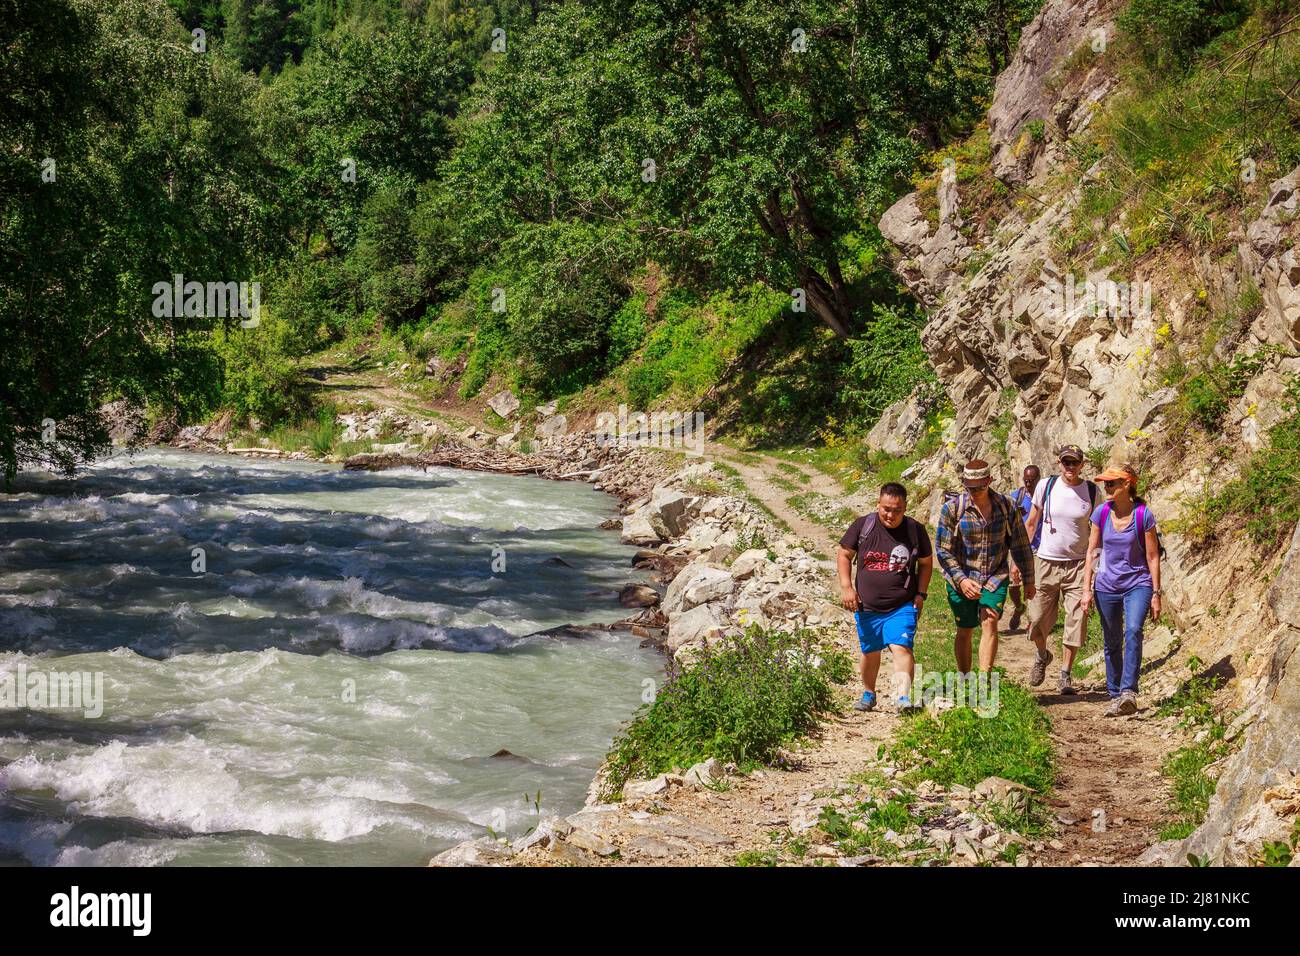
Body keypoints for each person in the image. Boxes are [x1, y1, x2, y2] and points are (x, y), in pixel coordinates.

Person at [838, 482, 934, 712]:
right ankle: (869, 693)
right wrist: (846, 587)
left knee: (901, 647)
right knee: (870, 651)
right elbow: (844, 554)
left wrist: (921, 594)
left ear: (905, 507)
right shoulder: (864, 525)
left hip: (902, 604)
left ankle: (903, 698)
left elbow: (926, 563)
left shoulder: (915, 530)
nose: (891, 514)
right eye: (886, 509)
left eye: (897, 510)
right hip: (866, 604)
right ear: (878, 505)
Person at [934, 460, 1035, 676]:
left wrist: (1029, 579)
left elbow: (1020, 544)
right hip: (961, 576)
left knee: (989, 621)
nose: (976, 491)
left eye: (980, 486)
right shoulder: (953, 509)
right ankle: (964, 678)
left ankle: (984, 680)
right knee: (965, 629)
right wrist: (961, 579)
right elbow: (942, 550)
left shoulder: (1006, 506)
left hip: (994, 575)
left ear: (989, 481)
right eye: (970, 487)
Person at [1081, 464, 1162, 716]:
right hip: (1106, 586)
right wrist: (1087, 588)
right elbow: (1093, 552)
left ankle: (1129, 691)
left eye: (1112, 483)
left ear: (1126, 484)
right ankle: (1115, 695)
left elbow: (1153, 557)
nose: (1106, 487)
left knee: (1134, 630)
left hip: (1138, 583)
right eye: (1105, 483)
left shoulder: (1143, 515)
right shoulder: (1101, 513)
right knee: (1112, 640)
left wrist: (1156, 594)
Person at [1024, 444, 1101, 695]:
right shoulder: (1045, 486)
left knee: (1076, 619)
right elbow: (1031, 523)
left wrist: (1096, 562)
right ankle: (1042, 654)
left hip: (1079, 565)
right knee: (1036, 619)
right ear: (1059, 463)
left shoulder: (1091, 491)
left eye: (1075, 463)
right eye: (1066, 462)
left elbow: (1098, 530)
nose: (1070, 467)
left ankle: (1065, 674)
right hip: (1045, 562)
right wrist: (1020, 561)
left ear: (1082, 465)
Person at [1007, 464, 1042, 631]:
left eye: (1032, 480)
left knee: (1032, 585)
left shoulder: (1046, 497)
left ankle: (1032, 620)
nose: (1028, 484)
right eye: (1026, 480)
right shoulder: (1016, 497)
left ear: (1038, 479)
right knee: (1013, 586)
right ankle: (1019, 607)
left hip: (1039, 548)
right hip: (1017, 546)